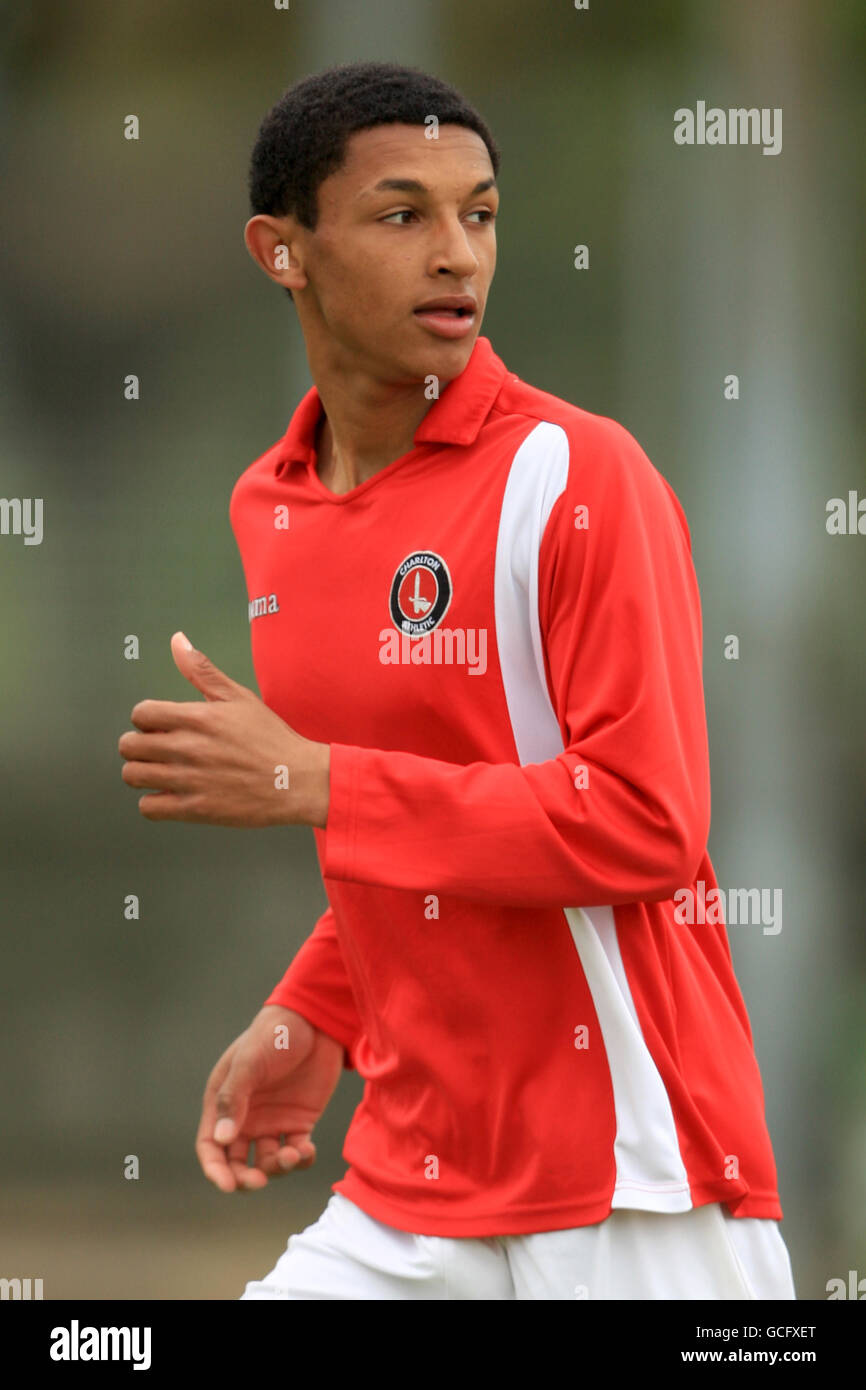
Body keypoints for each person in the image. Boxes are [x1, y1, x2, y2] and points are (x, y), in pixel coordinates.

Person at [118, 61, 796, 1300]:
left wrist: (314, 781)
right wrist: (315, 1008)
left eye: (477, 213)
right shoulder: (266, 506)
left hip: (628, 1185)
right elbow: (423, 811)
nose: (456, 253)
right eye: (401, 214)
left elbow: (643, 822)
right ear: (283, 252)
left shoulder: (579, 476)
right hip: (408, 1184)